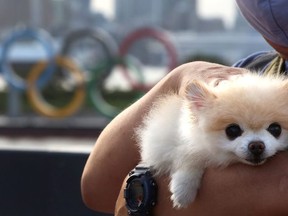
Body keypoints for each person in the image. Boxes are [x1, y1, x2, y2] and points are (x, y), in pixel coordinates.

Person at [81, 0, 288, 215]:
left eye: (274, 130)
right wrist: (179, 78)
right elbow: (98, 188)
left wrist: (146, 197)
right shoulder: (247, 73)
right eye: (233, 131)